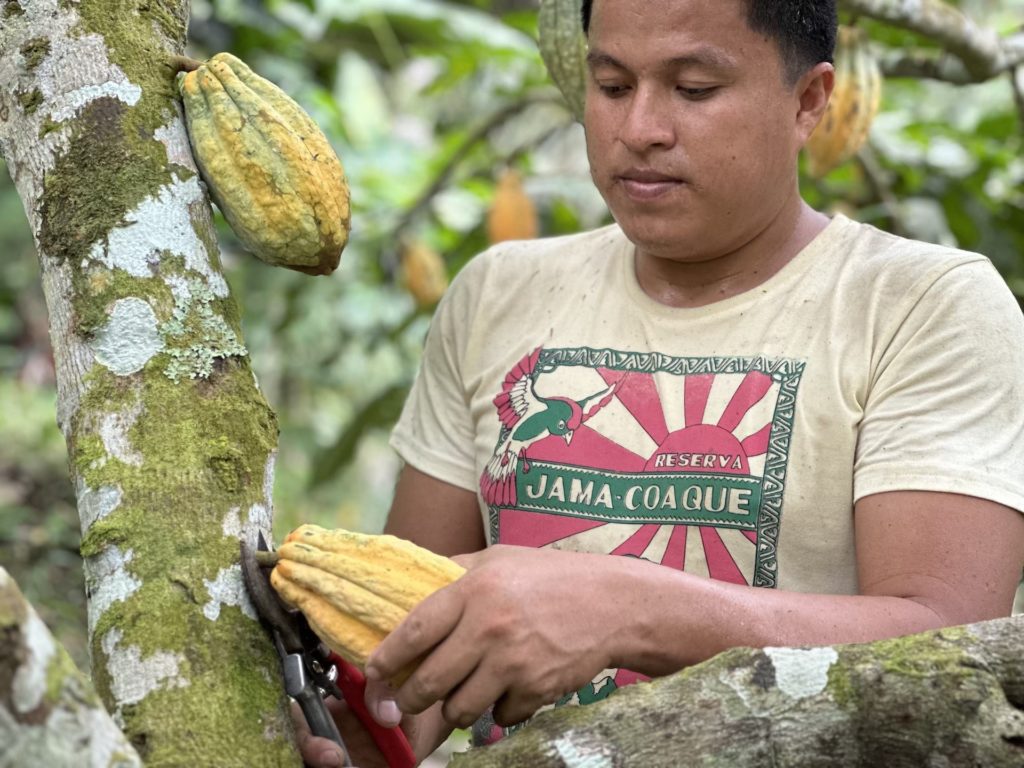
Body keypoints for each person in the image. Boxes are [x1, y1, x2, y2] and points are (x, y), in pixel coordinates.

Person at [297, 0, 1024, 764]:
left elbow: (951, 649)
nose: (639, 128)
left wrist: (622, 608)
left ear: (809, 101)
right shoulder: (498, 292)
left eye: (695, 89)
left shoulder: (924, 305)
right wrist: (367, 739)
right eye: (612, 86)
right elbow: (409, 636)